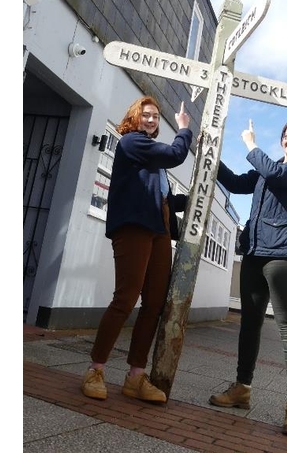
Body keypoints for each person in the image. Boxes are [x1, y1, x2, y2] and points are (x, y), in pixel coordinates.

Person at [209, 118, 287, 438]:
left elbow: (274, 173)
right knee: (249, 323)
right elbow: (235, 181)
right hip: (255, 255)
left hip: (286, 256)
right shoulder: (265, 168)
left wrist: (249, 142)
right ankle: (242, 389)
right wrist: (207, 153)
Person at [81, 95, 192, 404]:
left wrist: (196, 197)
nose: (152, 119)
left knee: (154, 304)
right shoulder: (132, 142)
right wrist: (184, 128)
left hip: (158, 232)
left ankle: (135, 376)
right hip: (133, 228)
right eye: (146, 115)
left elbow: (164, 200)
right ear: (133, 117)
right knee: (125, 299)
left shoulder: (152, 162)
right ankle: (95, 369)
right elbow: (175, 154)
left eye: (156, 116)